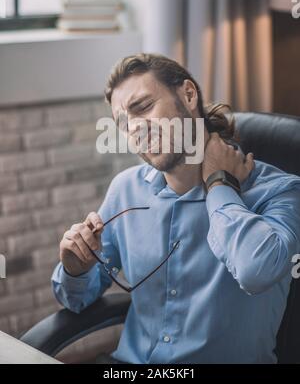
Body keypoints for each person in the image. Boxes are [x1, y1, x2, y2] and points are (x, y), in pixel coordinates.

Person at [52, 53, 300, 364]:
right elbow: (77, 301)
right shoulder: (126, 190)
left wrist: (218, 184)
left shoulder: (280, 190)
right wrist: (76, 269)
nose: (136, 129)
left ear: (188, 94)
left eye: (143, 107)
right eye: (124, 123)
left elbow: (256, 272)